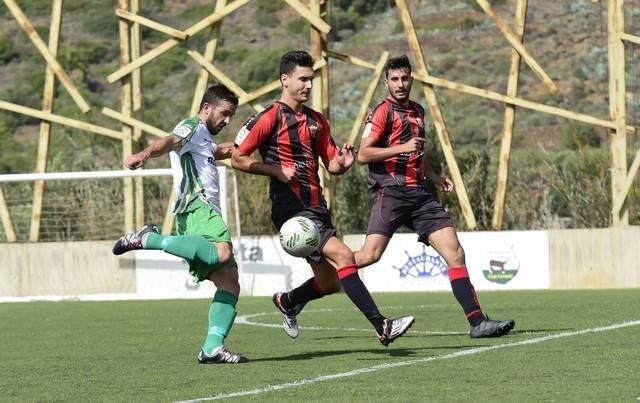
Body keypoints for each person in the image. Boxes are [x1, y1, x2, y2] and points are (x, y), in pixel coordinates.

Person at [231, 50, 415, 346]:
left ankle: (289, 301)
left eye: (310, 79)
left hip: (316, 207)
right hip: (291, 210)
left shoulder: (317, 121)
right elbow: (238, 158)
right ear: (284, 79)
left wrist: (343, 162)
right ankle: (382, 325)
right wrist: (275, 171)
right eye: (302, 79)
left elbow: (331, 166)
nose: (308, 85)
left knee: (330, 283)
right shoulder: (268, 118)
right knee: (344, 256)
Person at [355, 55, 515, 338]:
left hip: (420, 195)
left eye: (405, 78)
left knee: (455, 252)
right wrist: (400, 147)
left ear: (411, 79)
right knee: (369, 256)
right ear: (386, 83)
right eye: (394, 79)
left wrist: (436, 177)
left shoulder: (417, 110)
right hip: (390, 193)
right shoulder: (382, 112)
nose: (400, 84)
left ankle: (478, 322)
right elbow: (363, 154)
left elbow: (417, 153)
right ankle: (306, 290)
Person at [112, 84, 247, 363]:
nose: (227, 121)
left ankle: (212, 348)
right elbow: (172, 140)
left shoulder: (204, 139)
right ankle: (149, 239)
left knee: (230, 283)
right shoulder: (192, 126)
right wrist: (145, 154)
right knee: (223, 251)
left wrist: (252, 142)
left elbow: (217, 150)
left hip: (205, 213)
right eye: (224, 114)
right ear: (206, 108)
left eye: (231, 116)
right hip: (198, 207)